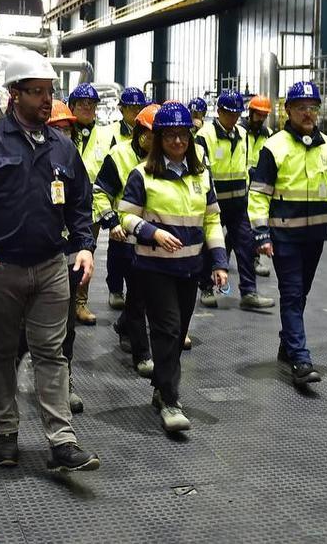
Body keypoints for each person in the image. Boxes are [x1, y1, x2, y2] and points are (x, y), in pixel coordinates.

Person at [0, 50, 101, 472]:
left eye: (49, 92)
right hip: (0, 269)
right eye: (36, 93)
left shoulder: (62, 148)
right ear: (14, 95)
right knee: (0, 352)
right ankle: (6, 432)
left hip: (51, 267)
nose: (46, 101)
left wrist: (83, 244)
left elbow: (81, 204)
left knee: (52, 354)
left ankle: (62, 440)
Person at [118, 102, 228, 433]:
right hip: (154, 268)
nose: (178, 141)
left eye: (183, 135)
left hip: (190, 269)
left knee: (178, 334)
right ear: (158, 138)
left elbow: (212, 220)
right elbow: (127, 217)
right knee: (166, 331)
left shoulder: (201, 174)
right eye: (170, 136)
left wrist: (219, 262)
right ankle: (169, 400)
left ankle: (160, 388)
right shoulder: (142, 175)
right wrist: (154, 232)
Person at [249, 81, 327, 386]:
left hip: (315, 236)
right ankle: (300, 358)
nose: (308, 113)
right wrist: (261, 234)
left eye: (313, 107)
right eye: (301, 108)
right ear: (288, 111)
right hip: (284, 236)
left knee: (302, 294)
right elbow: (258, 195)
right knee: (293, 293)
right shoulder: (275, 147)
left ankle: (287, 345)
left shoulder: (326, 145)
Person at [17, 100, 88, 414]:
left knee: (66, 327)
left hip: (65, 257)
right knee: (23, 326)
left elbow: (83, 207)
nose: (63, 135)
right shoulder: (25, 163)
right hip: (26, 259)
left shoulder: (72, 163)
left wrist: (85, 245)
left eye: (67, 129)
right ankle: (15, 367)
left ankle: (63, 381)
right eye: (57, 128)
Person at [93, 103, 160, 375]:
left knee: (141, 296)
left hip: (156, 240)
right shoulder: (118, 155)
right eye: (150, 133)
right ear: (139, 132)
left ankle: (124, 325)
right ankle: (142, 354)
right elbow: (100, 191)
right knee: (138, 293)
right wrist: (111, 221)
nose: (155, 140)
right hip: (127, 237)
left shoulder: (169, 159)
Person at [195, 90, 274, 310]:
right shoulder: (205, 135)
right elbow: (202, 169)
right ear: (219, 111)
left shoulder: (241, 134)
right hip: (214, 204)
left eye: (237, 114)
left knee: (246, 246)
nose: (234, 118)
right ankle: (206, 287)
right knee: (210, 246)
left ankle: (249, 292)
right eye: (229, 113)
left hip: (239, 203)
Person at [69, 82, 119, 321]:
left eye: (91, 104)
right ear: (72, 107)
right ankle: (57, 303)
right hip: (61, 203)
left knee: (84, 253)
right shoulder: (64, 131)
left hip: (91, 206)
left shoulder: (106, 136)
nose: (87, 108)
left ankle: (80, 303)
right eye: (82, 104)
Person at [245, 95, 274, 278]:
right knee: (239, 229)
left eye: (264, 115)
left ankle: (254, 260)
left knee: (253, 225)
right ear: (251, 112)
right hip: (242, 186)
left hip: (260, 186)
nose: (261, 119)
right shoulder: (240, 132)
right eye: (259, 115)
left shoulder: (268, 134)